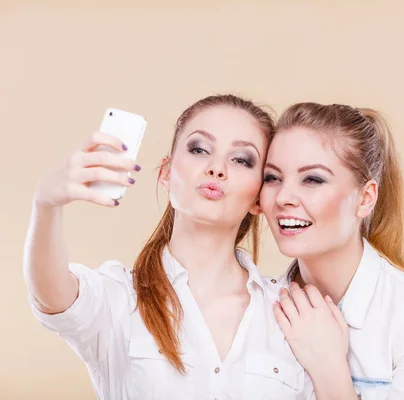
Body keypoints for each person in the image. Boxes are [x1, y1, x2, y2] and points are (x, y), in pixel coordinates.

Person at [24, 95, 308, 399]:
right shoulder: (120, 297)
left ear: (258, 198)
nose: (216, 168)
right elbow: (52, 296)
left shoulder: (292, 313)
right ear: (166, 174)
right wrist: (46, 204)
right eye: (199, 149)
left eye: (241, 159)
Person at [260, 102, 404, 399]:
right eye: (272, 178)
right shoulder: (258, 306)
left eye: (313, 179)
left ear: (365, 198)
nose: (283, 197)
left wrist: (329, 370)